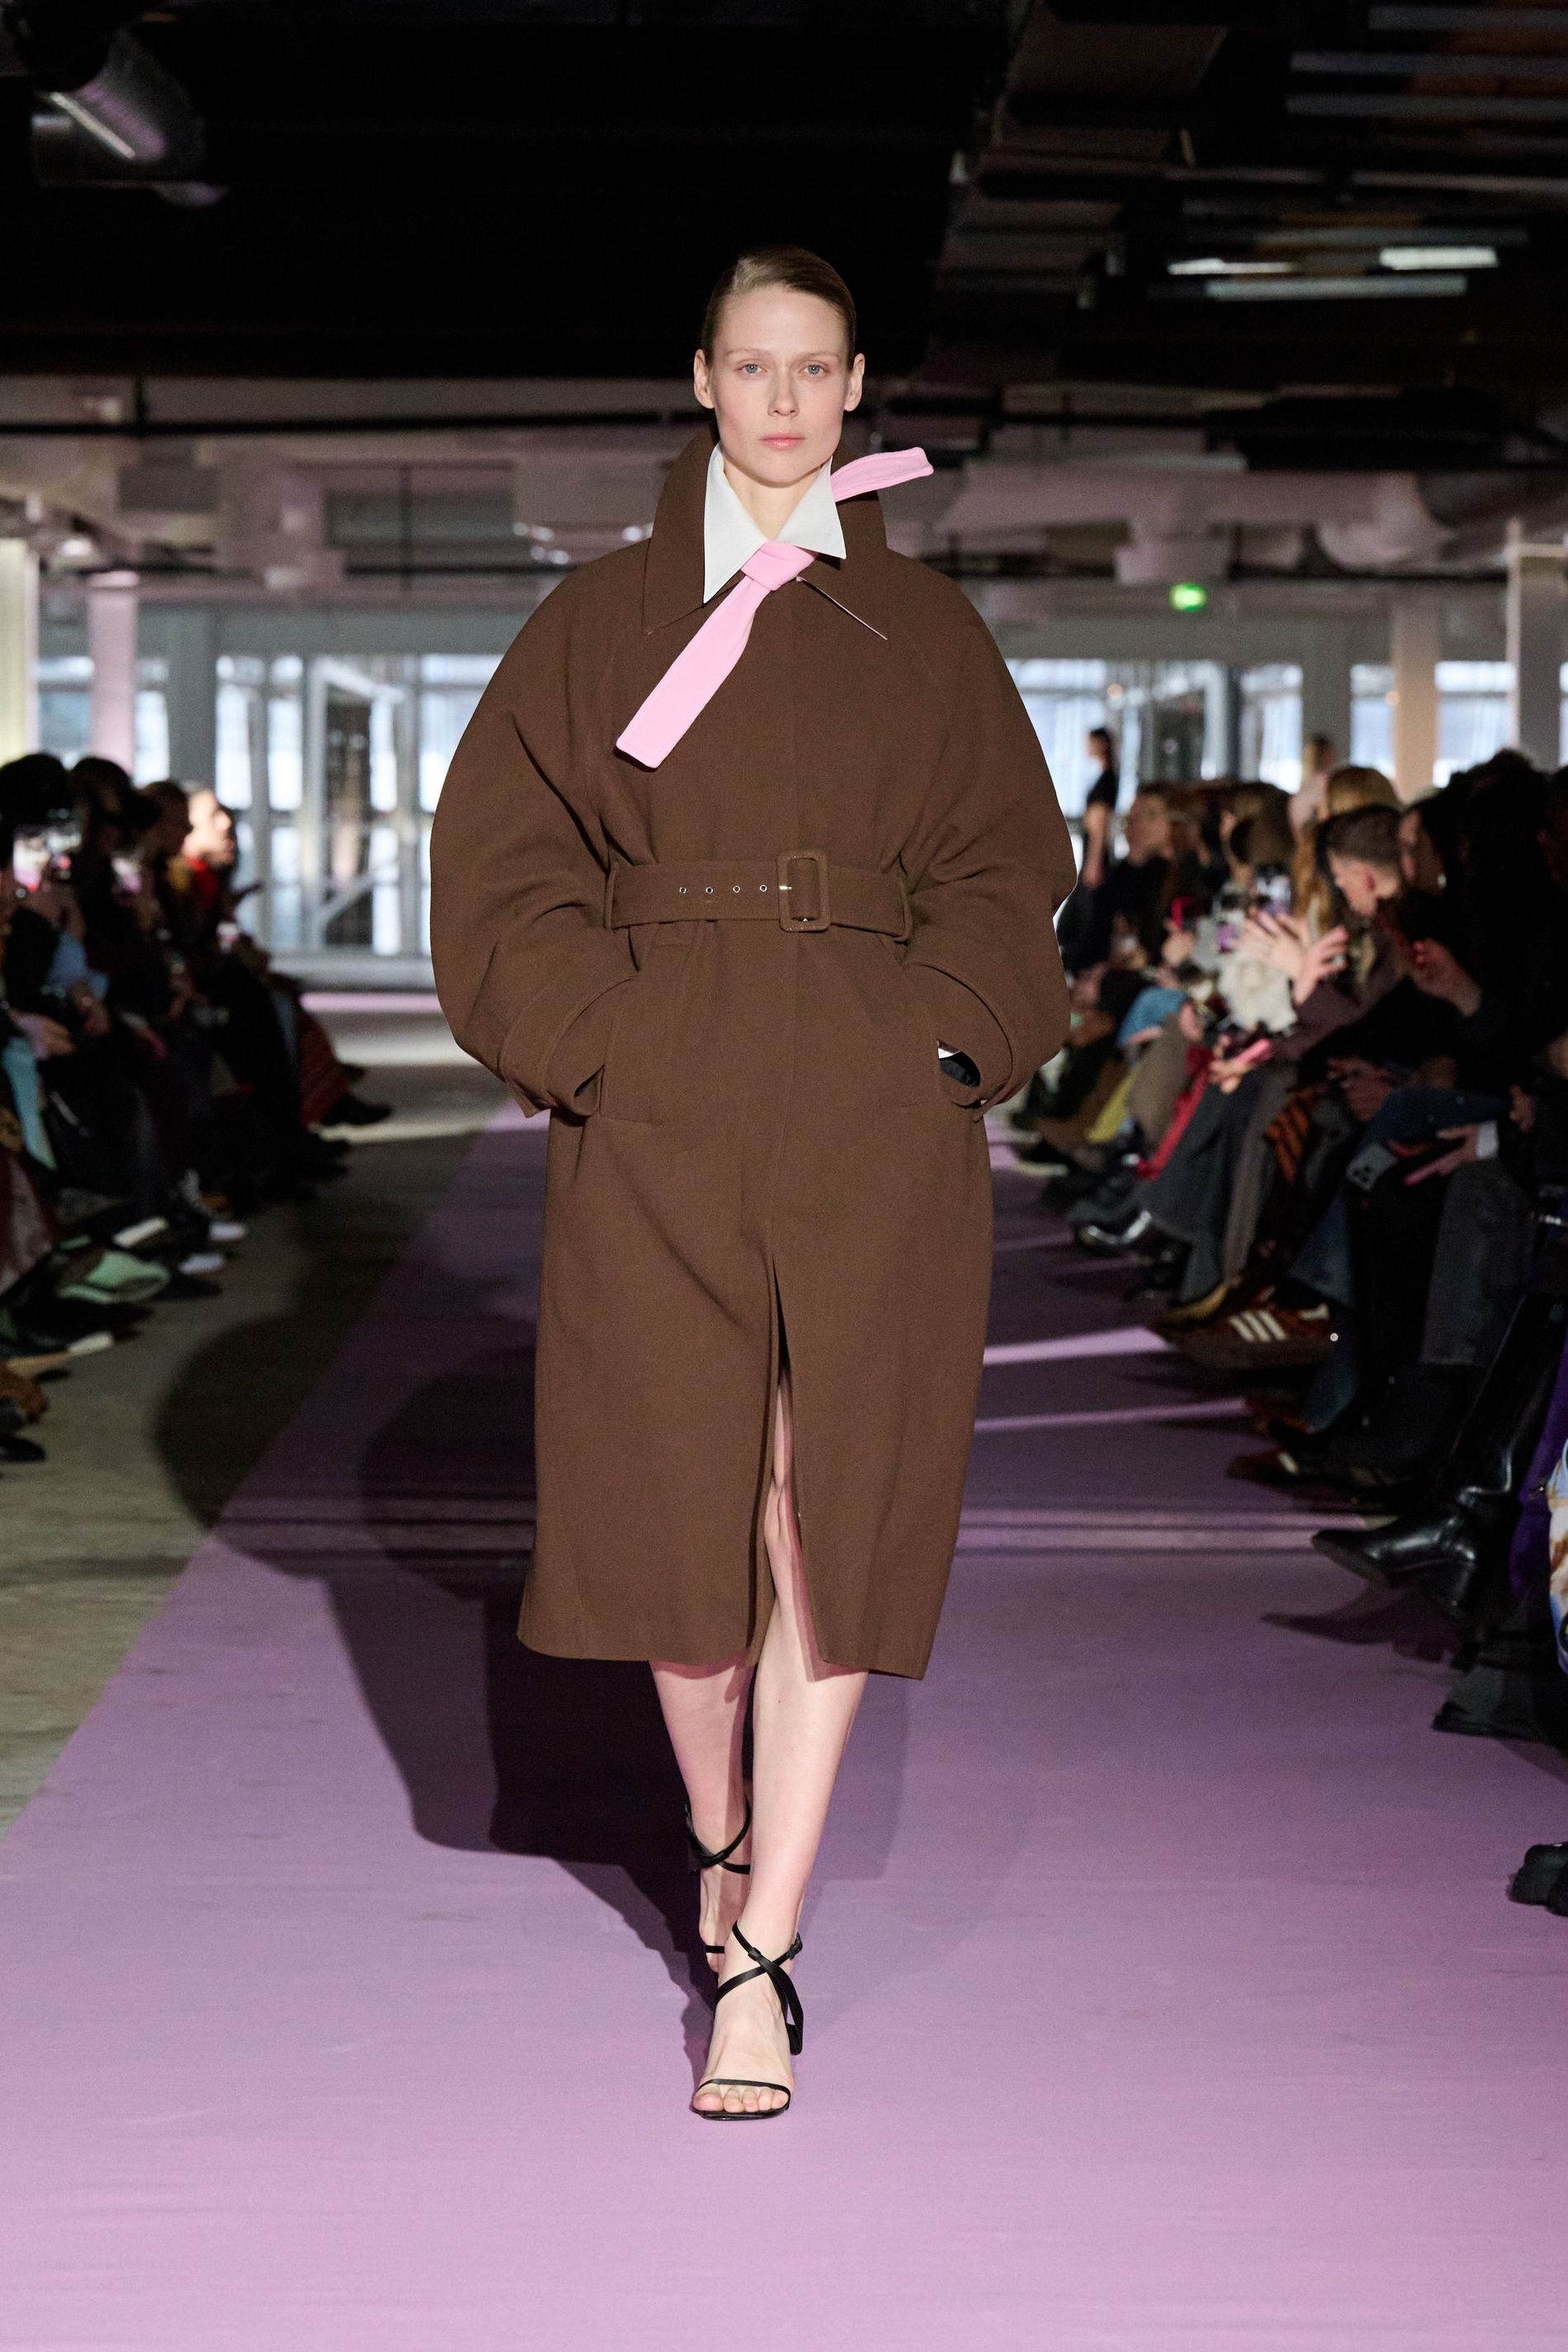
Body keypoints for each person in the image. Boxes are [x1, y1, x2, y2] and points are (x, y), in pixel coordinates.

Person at [429, 243, 1073, 2120]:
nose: (783, 400)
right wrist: (601, 1045)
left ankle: (763, 1948)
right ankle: (718, 1836)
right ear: (700, 379)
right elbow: (504, 860)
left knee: (824, 1511)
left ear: (855, 388)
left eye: (814, 368)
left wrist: (947, 1040)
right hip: (666, 1094)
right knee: (675, 1528)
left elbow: (1006, 865)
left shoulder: (925, 630)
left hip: (873, 1104)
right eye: (752, 365)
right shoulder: (597, 617)